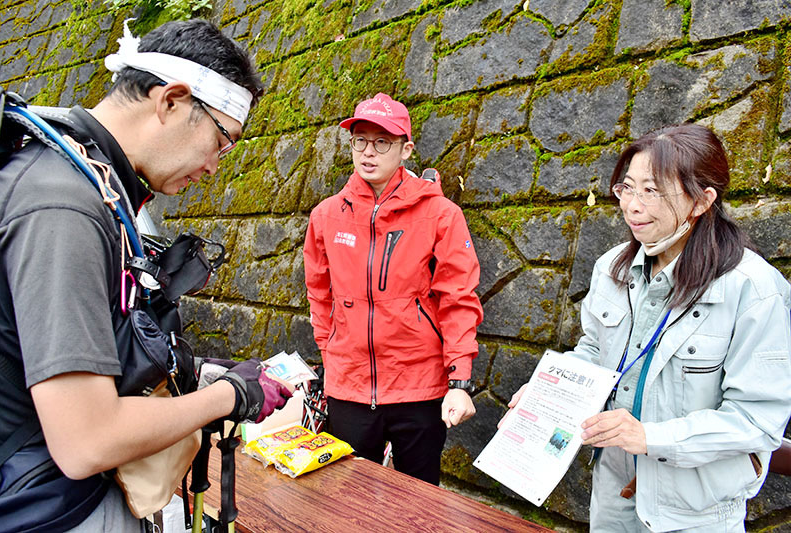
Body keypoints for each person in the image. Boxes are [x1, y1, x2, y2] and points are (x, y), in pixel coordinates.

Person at [0, 20, 292, 532]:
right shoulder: (65, 208)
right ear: (171, 100)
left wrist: (190, 372)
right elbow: (87, 440)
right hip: (48, 510)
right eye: (222, 140)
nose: (217, 165)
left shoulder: (80, 176)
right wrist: (230, 396)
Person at [503, 123, 791, 531]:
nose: (632, 206)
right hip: (614, 487)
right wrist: (550, 391)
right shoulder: (611, 267)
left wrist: (650, 438)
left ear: (701, 201)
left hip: (694, 506)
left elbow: (756, 421)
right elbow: (593, 348)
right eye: (627, 188)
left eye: (652, 191)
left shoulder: (755, 289)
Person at [303, 93, 484, 485]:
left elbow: (458, 299)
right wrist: (330, 355)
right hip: (348, 387)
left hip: (419, 388)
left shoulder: (441, 215)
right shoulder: (325, 216)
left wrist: (459, 380)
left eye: (382, 142)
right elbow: (319, 295)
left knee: (417, 505)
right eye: (360, 140)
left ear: (406, 149)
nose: (369, 152)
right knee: (347, 502)